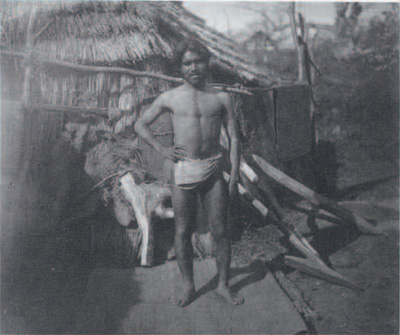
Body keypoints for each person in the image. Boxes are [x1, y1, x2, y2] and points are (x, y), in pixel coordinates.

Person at [134, 41, 243, 307]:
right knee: (183, 231)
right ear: (180, 67)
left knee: (220, 230)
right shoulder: (170, 97)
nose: (193, 67)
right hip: (183, 171)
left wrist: (236, 174)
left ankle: (223, 286)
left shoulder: (221, 97)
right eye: (187, 63)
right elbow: (140, 124)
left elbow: (235, 138)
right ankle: (188, 286)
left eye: (198, 61)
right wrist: (163, 148)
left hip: (214, 169)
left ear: (207, 63)